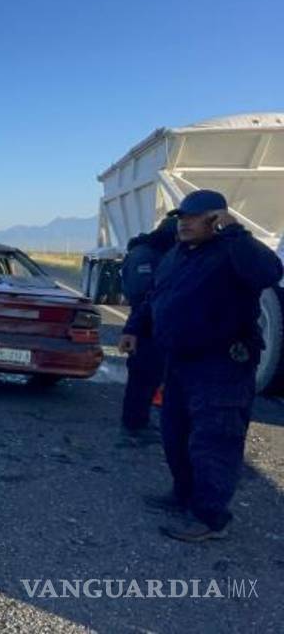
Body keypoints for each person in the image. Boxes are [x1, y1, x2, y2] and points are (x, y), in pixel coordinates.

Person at [120, 190, 283, 542]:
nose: (184, 224)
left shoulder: (233, 252)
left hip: (221, 367)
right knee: (175, 434)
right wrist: (134, 328)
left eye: (193, 218)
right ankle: (182, 496)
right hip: (179, 363)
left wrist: (236, 231)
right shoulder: (178, 254)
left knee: (214, 441)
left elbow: (270, 270)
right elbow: (155, 297)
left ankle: (211, 518)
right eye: (181, 218)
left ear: (215, 219)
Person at [118, 217, 177, 443]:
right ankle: (133, 424)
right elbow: (141, 293)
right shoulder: (144, 255)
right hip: (145, 326)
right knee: (142, 377)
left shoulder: (161, 253)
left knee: (152, 377)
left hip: (157, 326)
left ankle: (139, 422)